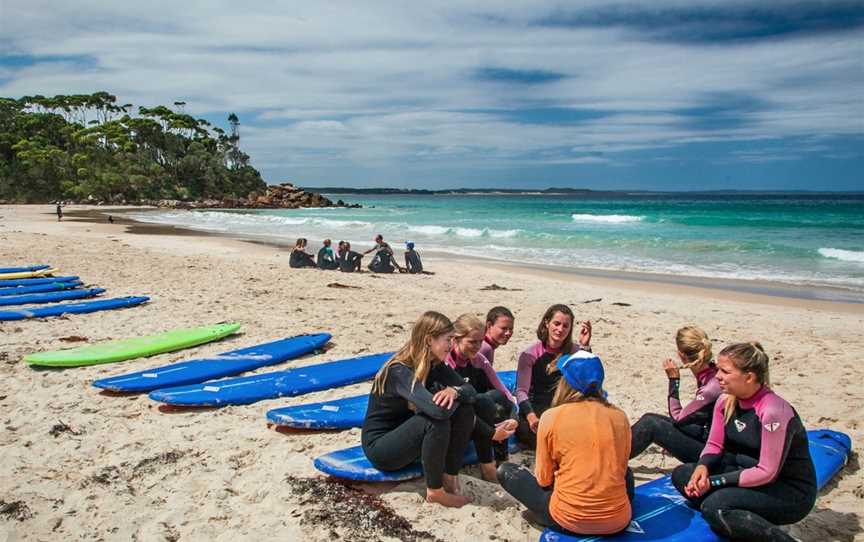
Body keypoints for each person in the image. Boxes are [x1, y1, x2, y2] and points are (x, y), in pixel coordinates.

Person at [672, 342, 816, 542]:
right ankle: (740, 517)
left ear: (749, 377)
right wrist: (702, 467)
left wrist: (714, 482)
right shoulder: (725, 401)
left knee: (715, 505)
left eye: (725, 371)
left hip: (786, 490)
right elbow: (714, 445)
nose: (717, 376)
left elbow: (767, 471)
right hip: (744, 474)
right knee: (683, 475)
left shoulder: (773, 411)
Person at [498, 351, 634, 536]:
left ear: (566, 382)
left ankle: (544, 516)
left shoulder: (552, 417)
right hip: (619, 520)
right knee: (624, 472)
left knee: (506, 471)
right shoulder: (619, 416)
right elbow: (622, 466)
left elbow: (544, 479)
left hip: (568, 519)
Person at [361, 311, 478, 508]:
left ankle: (450, 476)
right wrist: (454, 396)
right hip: (381, 448)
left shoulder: (435, 364)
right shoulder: (398, 370)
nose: (451, 346)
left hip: (406, 437)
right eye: (448, 339)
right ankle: (435, 492)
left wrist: (454, 391)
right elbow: (438, 412)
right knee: (434, 421)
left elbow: (471, 392)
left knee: (465, 409)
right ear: (429, 339)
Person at [630, 325, 721, 463]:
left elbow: (679, 417)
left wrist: (674, 381)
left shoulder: (711, 387)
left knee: (651, 424)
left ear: (681, 355)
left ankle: (609, 457)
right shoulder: (713, 372)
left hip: (714, 452)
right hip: (710, 434)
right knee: (650, 418)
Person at [445, 314, 518, 479]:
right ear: (456, 339)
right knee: (483, 401)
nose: (477, 346)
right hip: (456, 421)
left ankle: (501, 460)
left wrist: (514, 418)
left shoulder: (479, 360)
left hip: (477, 416)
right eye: (472, 342)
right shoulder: (447, 364)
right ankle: (488, 466)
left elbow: (504, 394)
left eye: (480, 341)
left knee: (494, 397)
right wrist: (491, 432)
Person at [515, 304, 592, 448]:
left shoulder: (574, 351)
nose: (560, 329)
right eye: (556, 324)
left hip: (564, 409)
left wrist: (585, 347)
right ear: (547, 323)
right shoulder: (530, 354)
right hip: (537, 410)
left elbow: (588, 379)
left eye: (565, 326)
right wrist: (531, 417)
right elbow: (521, 391)